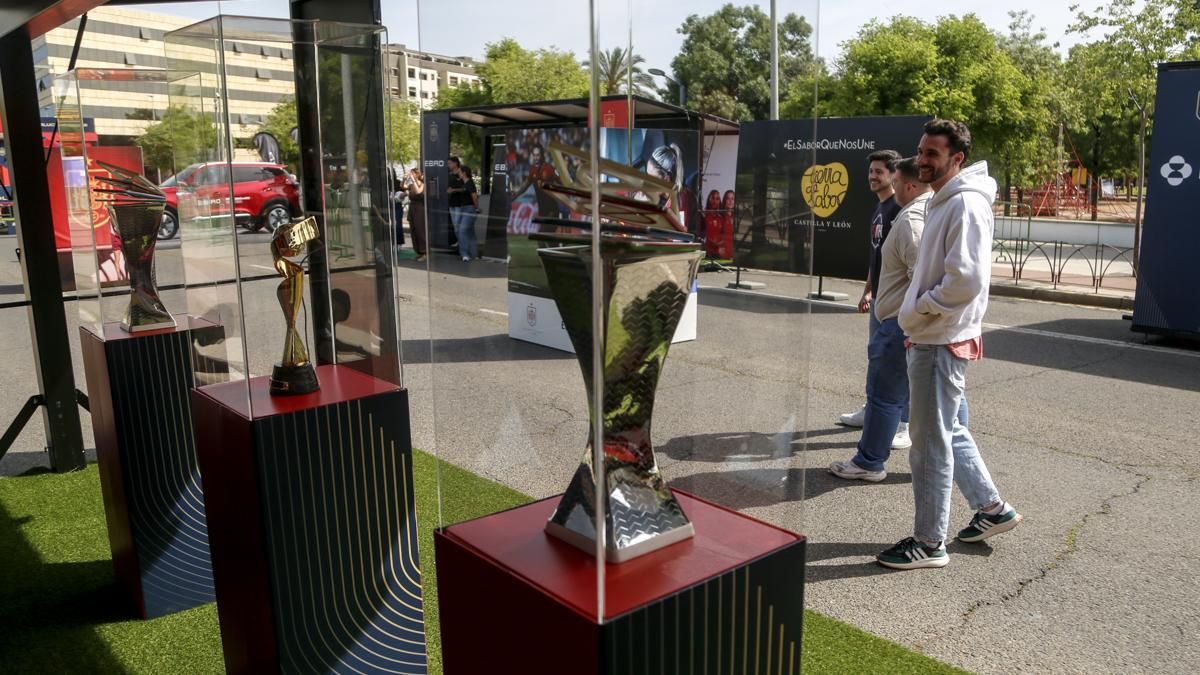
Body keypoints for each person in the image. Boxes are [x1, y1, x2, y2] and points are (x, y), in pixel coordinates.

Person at [877, 119, 1022, 570]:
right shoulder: (947, 199)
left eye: (932, 154)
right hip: (937, 335)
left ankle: (928, 541)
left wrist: (917, 312)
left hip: (939, 338)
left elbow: (966, 280)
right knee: (946, 430)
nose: (922, 160)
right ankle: (993, 509)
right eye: (921, 151)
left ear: (956, 159)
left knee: (929, 442)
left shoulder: (963, 205)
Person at [829, 156, 931, 482]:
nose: (878, 179)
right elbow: (888, 265)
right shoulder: (912, 211)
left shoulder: (909, 217)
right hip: (903, 319)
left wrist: (911, 322)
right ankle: (938, 465)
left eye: (890, 176)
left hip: (900, 322)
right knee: (943, 407)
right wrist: (870, 291)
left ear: (907, 184)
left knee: (886, 394)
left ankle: (871, 461)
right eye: (870, 170)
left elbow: (921, 281)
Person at [839, 150, 911, 452]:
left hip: (898, 303)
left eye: (878, 172)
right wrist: (868, 290)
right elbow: (877, 255)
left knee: (900, 366)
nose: (872, 176)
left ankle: (906, 426)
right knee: (876, 359)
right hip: (880, 298)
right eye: (871, 171)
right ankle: (872, 409)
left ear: (893, 175)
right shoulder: (879, 208)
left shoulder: (899, 209)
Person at [448, 162, 479, 261]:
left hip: (469, 210)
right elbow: (462, 190)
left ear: (464, 173)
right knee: (470, 233)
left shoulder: (469, 183)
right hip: (464, 209)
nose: (458, 173)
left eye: (460, 172)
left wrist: (476, 208)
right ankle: (474, 254)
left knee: (462, 231)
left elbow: (474, 196)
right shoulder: (465, 183)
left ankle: (464, 254)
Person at [405, 168, 427, 261]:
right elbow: (403, 186)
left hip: (420, 209)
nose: (411, 175)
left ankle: (424, 252)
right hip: (412, 208)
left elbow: (418, 192)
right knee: (413, 230)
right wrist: (404, 178)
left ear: (417, 174)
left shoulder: (422, 184)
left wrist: (413, 180)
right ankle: (418, 251)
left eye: (413, 173)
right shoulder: (411, 184)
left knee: (420, 231)